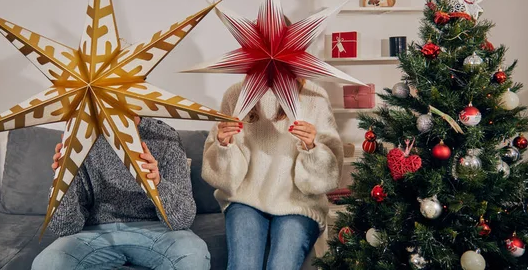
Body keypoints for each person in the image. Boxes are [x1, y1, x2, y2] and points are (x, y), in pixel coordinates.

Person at [32, 116, 210, 270]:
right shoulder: (80, 137)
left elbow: (183, 219)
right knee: (49, 262)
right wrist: (63, 180)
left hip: (160, 231)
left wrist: (157, 184)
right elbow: (64, 227)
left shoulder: (165, 136)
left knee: (193, 254)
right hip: (93, 232)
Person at [202, 79, 344, 270]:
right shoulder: (235, 94)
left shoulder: (315, 96)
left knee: (281, 265)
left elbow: (328, 178)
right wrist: (224, 145)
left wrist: (312, 147)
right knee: (243, 265)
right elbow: (222, 178)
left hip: (298, 203)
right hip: (245, 199)